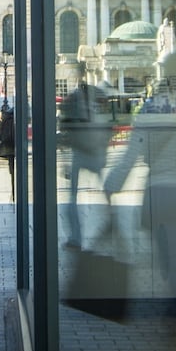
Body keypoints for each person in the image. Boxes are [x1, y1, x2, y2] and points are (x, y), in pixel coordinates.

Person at [59, 77, 111, 250]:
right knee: (104, 191)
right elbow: (105, 131)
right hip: (93, 154)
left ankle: (75, 237)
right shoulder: (94, 106)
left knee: (73, 197)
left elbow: (65, 132)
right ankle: (112, 220)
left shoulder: (74, 105)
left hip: (80, 153)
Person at [0, 104, 16, 201]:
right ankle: (15, 191)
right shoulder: (17, 120)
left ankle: (13, 192)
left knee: (12, 171)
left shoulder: (4, 120)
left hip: (8, 147)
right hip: (17, 147)